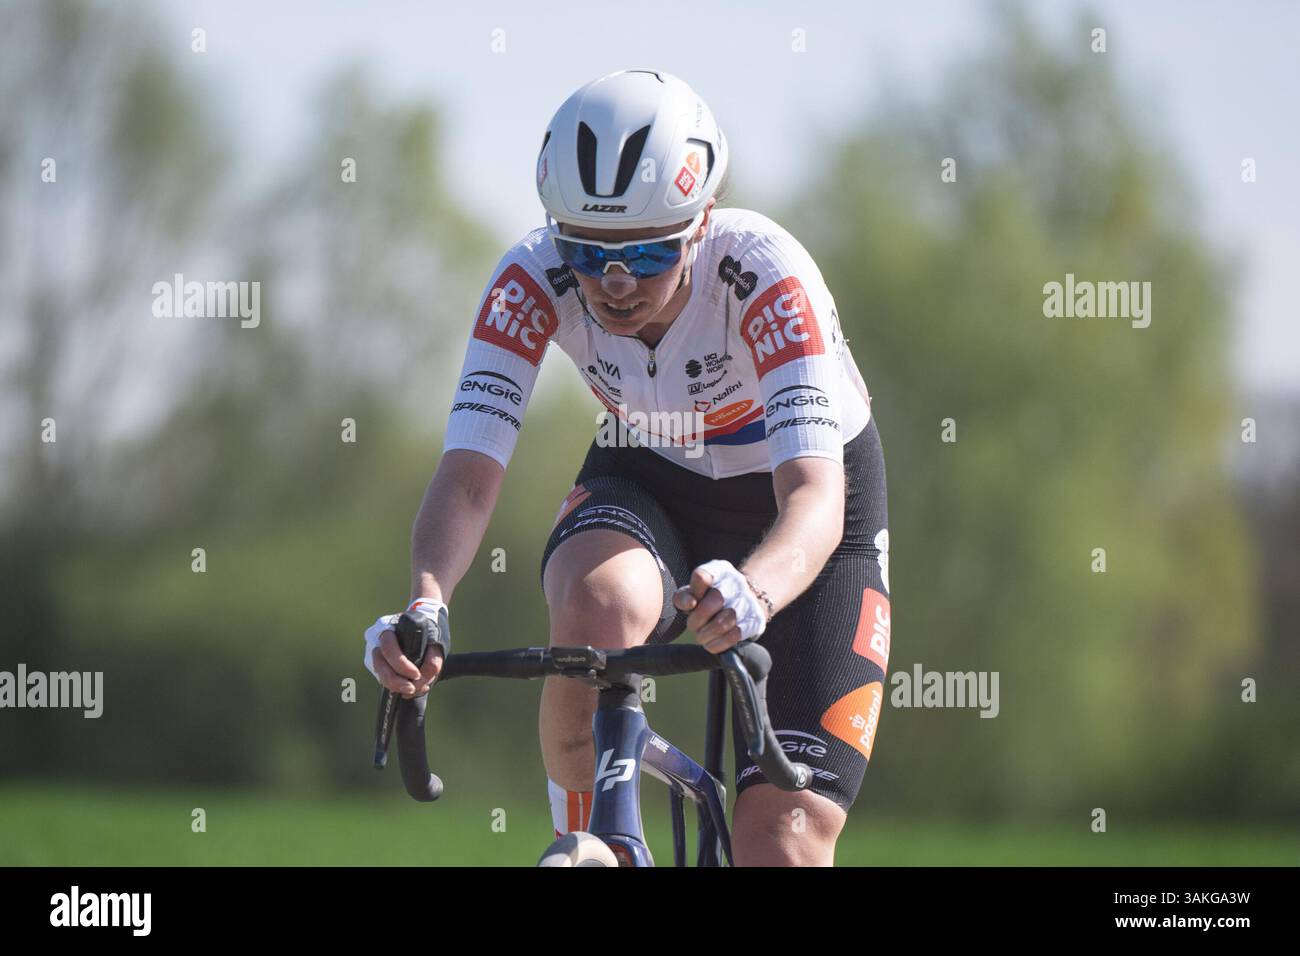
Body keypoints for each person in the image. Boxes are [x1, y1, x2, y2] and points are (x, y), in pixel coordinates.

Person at [363, 69, 890, 866]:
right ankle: (594, 843)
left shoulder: (767, 274)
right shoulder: (529, 278)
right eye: (588, 250)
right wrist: (426, 603)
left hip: (810, 521)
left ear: (701, 221)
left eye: (646, 253)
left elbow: (815, 497)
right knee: (595, 606)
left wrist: (758, 589)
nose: (614, 284)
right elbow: (470, 475)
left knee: (783, 841)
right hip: (653, 477)